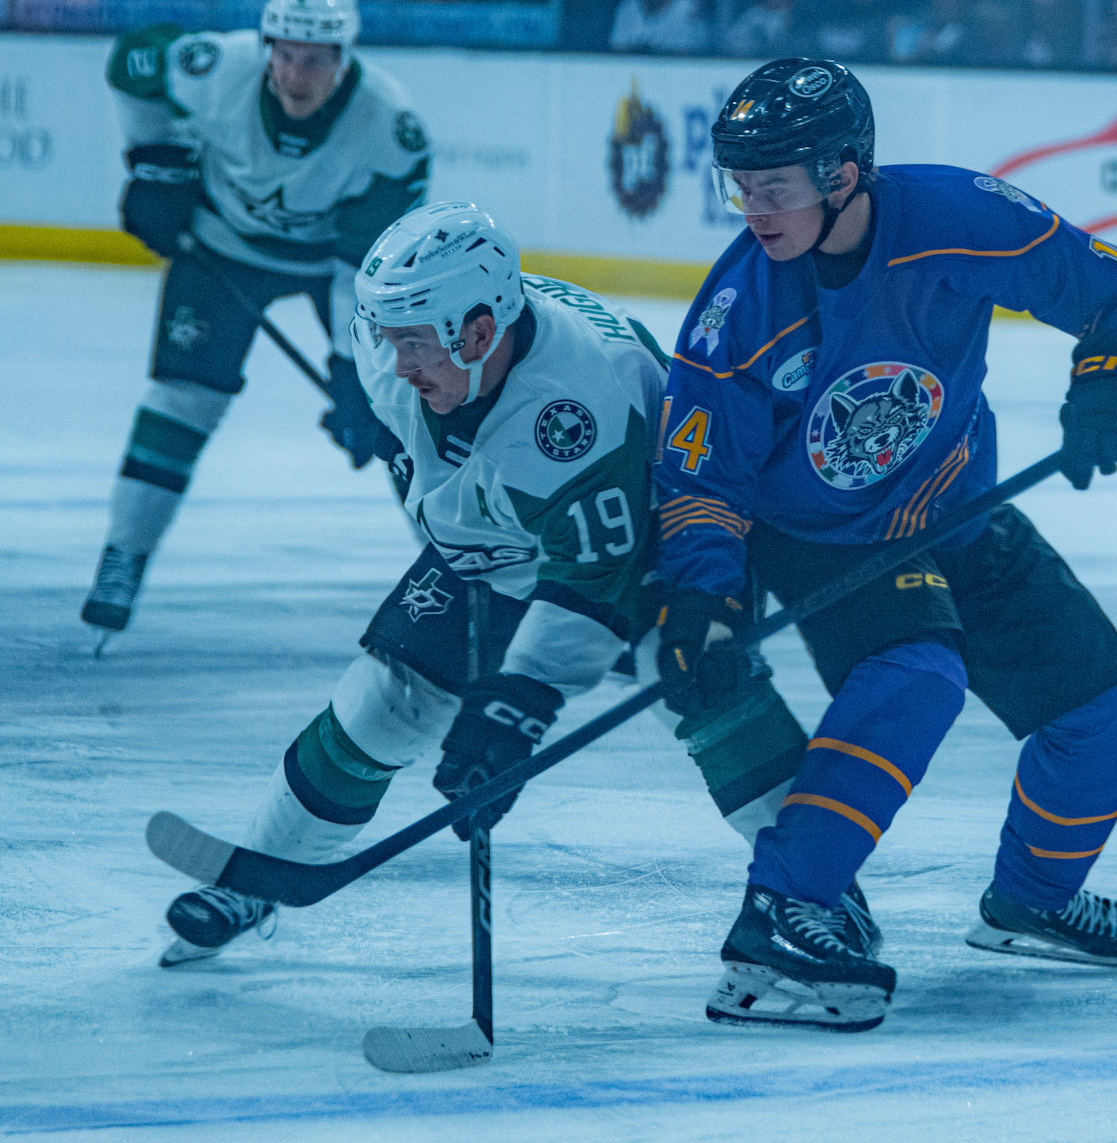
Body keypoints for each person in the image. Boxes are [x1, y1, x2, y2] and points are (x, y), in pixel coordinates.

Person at [653, 58, 1117, 1030]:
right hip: (828, 539)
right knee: (917, 678)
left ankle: (1029, 900)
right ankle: (781, 913)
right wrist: (704, 599)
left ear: (843, 171)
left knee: (1107, 716)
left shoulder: (955, 215)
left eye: (773, 187)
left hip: (956, 507)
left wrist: (1114, 371)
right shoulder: (738, 313)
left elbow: (1113, 287)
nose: (753, 211)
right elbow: (700, 480)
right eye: (741, 187)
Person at [159, 203, 839, 965]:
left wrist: (514, 710)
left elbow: (588, 582)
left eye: (413, 344)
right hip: (502, 535)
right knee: (388, 699)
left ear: (480, 333)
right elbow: (405, 401)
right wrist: (383, 418)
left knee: (698, 685)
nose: (397, 363)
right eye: (387, 338)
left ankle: (820, 897)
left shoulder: (576, 409)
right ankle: (260, 874)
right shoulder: (402, 342)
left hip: (662, 539)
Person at [81, 0, 431, 643]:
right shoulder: (219, 69)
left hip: (333, 262)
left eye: (315, 60)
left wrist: (351, 368)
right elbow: (131, 62)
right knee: (184, 396)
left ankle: (464, 570)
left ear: (344, 57)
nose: (296, 75)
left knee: (399, 405)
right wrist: (155, 161)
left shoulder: (389, 127)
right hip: (221, 244)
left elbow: (361, 271)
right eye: (285, 54)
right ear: (267, 45)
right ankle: (123, 555)